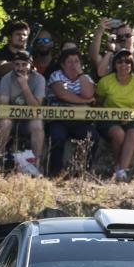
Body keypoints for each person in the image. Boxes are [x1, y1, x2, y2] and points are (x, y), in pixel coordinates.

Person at [96, 49, 134, 182]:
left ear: (132, 65)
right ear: (114, 65)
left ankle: (122, 171)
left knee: (132, 133)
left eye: (127, 61)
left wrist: (130, 117)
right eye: (120, 62)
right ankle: (119, 166)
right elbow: (98, 104)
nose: (124, 65)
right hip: (108, 119)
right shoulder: (105, 82)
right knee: (118, 133)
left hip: (132, 118)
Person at [45, 49, 96, 177]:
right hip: (58, 119)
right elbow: (62, 94)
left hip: (79, 121)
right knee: (57, 136)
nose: (73, 65)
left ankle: (82, 170)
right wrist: (85, 101)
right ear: (62, 64)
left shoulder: (86, 77)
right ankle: (55, 173)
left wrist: (80, 74)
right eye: (69, 62)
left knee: (92, 136)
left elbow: (89, 93)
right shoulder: (56, 75)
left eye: (76, 61)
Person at [0, 50, 45, 174]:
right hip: (10, 118)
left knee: (37, 125)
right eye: (17, 64)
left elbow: (36, 107)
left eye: (24, 64)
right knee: (5, 123)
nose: (20, 68)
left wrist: (25, 87)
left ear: (30, 65)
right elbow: (3, 105)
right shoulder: (7, 78)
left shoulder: (39, 79)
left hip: (29, 120)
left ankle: (36, 164)